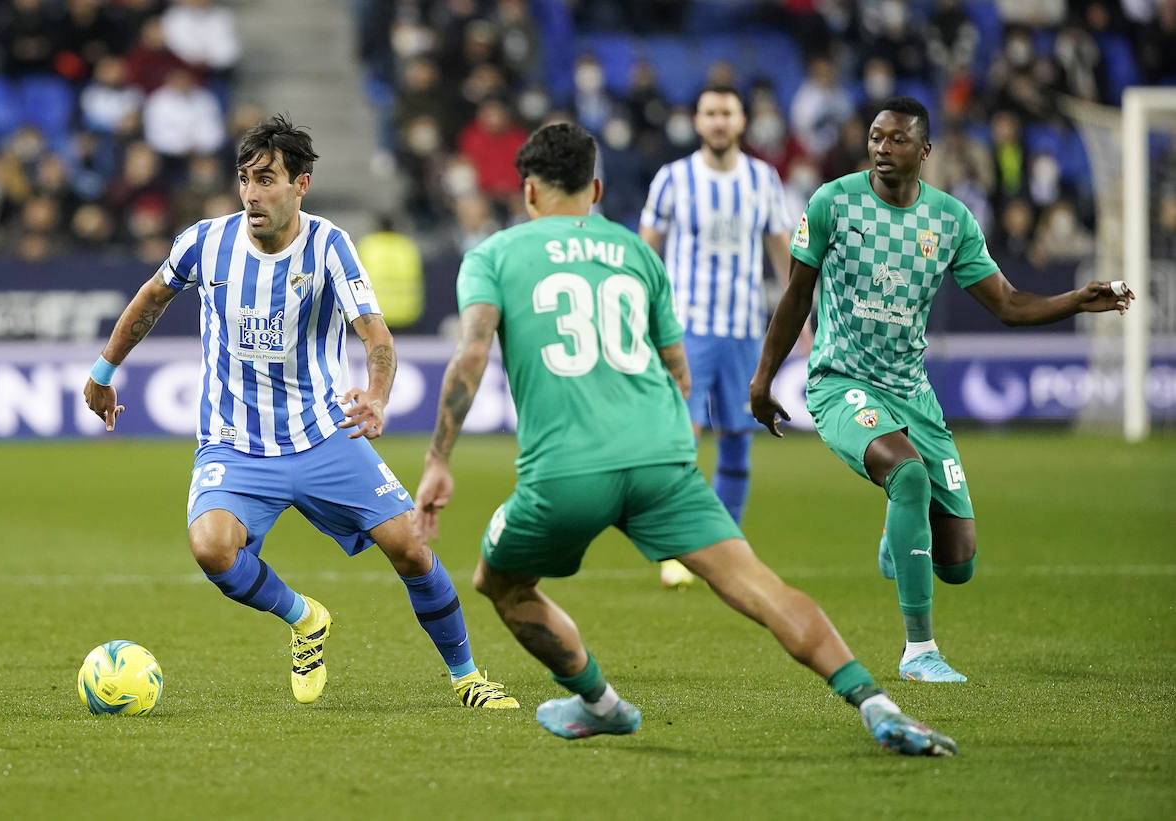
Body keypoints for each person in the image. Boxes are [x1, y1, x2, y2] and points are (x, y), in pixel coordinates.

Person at [414, 121, 955, 755]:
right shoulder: (635, 253)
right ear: (595, 187)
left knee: (498, 581)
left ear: (527, 192)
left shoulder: (494, 255)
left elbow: (472, 356)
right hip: (662, 460)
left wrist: (438, 460)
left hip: (565, 471)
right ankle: (878, 706)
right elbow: (677, 368)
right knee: (758, 585)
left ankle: (599, 702)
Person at [83, 114, 517, 710]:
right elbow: (151, 298)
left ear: (300, 184)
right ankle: (305, 617)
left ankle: (468, 677)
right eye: (245, 179)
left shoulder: (329, 245)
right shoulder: (206, 243)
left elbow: (375, 334)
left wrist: (378, 394)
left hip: (320, 437)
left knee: (412, 548)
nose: (253, 194)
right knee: (211, 548)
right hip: (234, 442)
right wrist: (104, 372)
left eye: (267, 179)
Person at [749, 97, 1133, 683]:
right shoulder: (833, 202)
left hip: (912, 392)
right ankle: (918, 652)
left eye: (897, 140)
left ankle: (894, 536)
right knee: (907, 475)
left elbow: (1007, 304)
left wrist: (1076, 299)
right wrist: (764, 376)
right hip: (841, 381)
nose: (882, 148)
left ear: (925, 152)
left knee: (958, 563)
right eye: (875, 137)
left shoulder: (950, 219)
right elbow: (797, 294)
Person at [638, 85, 806, 589]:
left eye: (726, 113)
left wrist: (803, 324)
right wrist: (640, 317)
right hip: (685, 328)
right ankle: (677, 547)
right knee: (681, 440)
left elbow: (783, 251)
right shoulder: (673, 179)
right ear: (696, 120)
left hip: (743, 329)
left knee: (737, 441)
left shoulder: (763, 179)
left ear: (741, 121)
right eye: (709, 112)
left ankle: (726, 544)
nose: (717, 121)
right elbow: (648, 252)